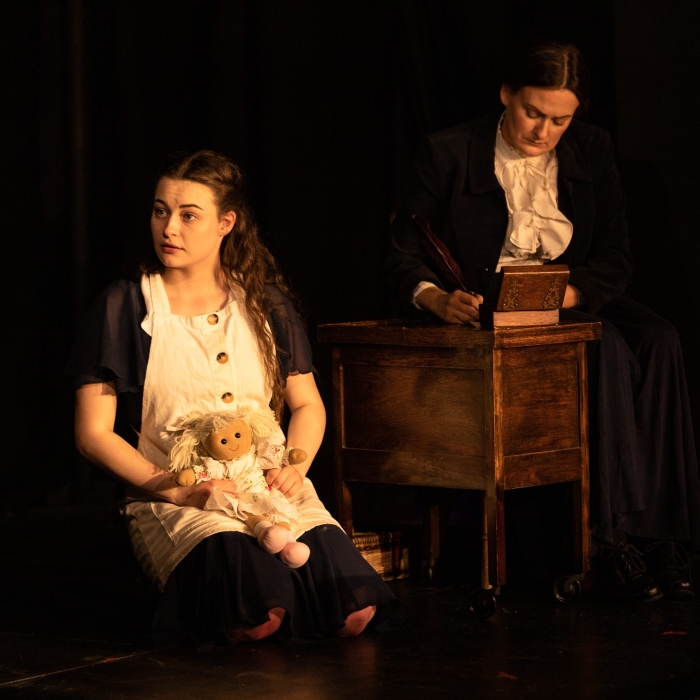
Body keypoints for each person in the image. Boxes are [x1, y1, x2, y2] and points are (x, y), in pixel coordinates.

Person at [386, 41, 699, 602]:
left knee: (660, 339)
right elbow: (402, 250)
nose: (543, 131)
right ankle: (606, 540)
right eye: (533, 112)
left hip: (565, 293)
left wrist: (570, 293)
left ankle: (662, 532)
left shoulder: (591, 148)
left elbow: (615, 257)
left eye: (560, 119)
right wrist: (434, 298)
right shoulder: (449, 152)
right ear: (507, 95)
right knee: (603, 348)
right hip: (489, 302)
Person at [68, 150, 397, 644]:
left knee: (354, 610)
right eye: (161, 211)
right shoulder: (127, 305)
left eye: (188, 215)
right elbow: (92, 433)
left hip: (270, 493)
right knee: (259, 616)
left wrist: (297, 465)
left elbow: (307, 403)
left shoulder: (265, 304)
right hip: (180, 499)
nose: (169, 228)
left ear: (226, 223)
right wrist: (174, 488)